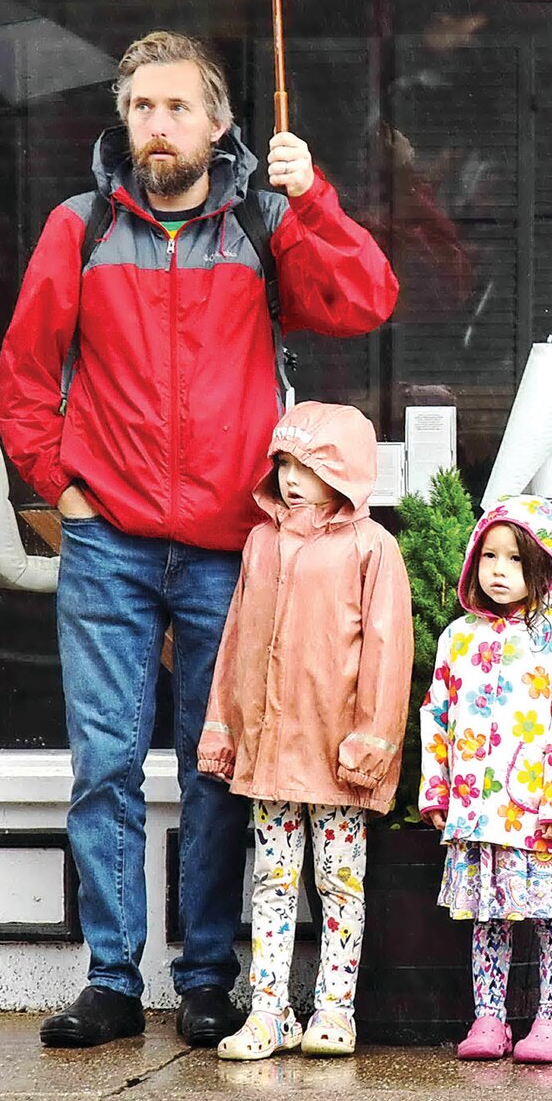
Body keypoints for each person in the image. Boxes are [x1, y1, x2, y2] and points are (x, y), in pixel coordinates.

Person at [0, 31, 399, 1049]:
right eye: (141, 108)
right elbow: (22, 380)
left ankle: (208, 978)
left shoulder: (264, 224)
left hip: (235, 547)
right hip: (110, 545)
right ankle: (113, 979)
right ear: (122, 122)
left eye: (178, 108)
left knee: (222, 768)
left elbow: (364, 302)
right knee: (104, 763)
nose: (158, 126)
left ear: (221, 124)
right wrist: (61, 485)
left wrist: (314, 204)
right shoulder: (78, 229)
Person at [196, 401, 413, 1060]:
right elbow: (235, 640)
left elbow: (387, 650)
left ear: (344, 472)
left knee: (339, 879)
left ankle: (334, 1011)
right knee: (271, 880)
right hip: (269, 751)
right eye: (284, 463)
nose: (290, 478)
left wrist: (371, 740)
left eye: (309, 466)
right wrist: (223, 727)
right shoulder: (261, 542)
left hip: (333, 751)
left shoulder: (372, 548)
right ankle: (268, 1012)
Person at [419, 495, 552, 1065]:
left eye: (516, 560)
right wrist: (438, 789)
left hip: (545, 814)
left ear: (544, 566)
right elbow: (437, 714)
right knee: (488, 918)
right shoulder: (459, 639)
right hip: (479, 810)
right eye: (490, 556)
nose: (498, 571)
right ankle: (489, 1017)